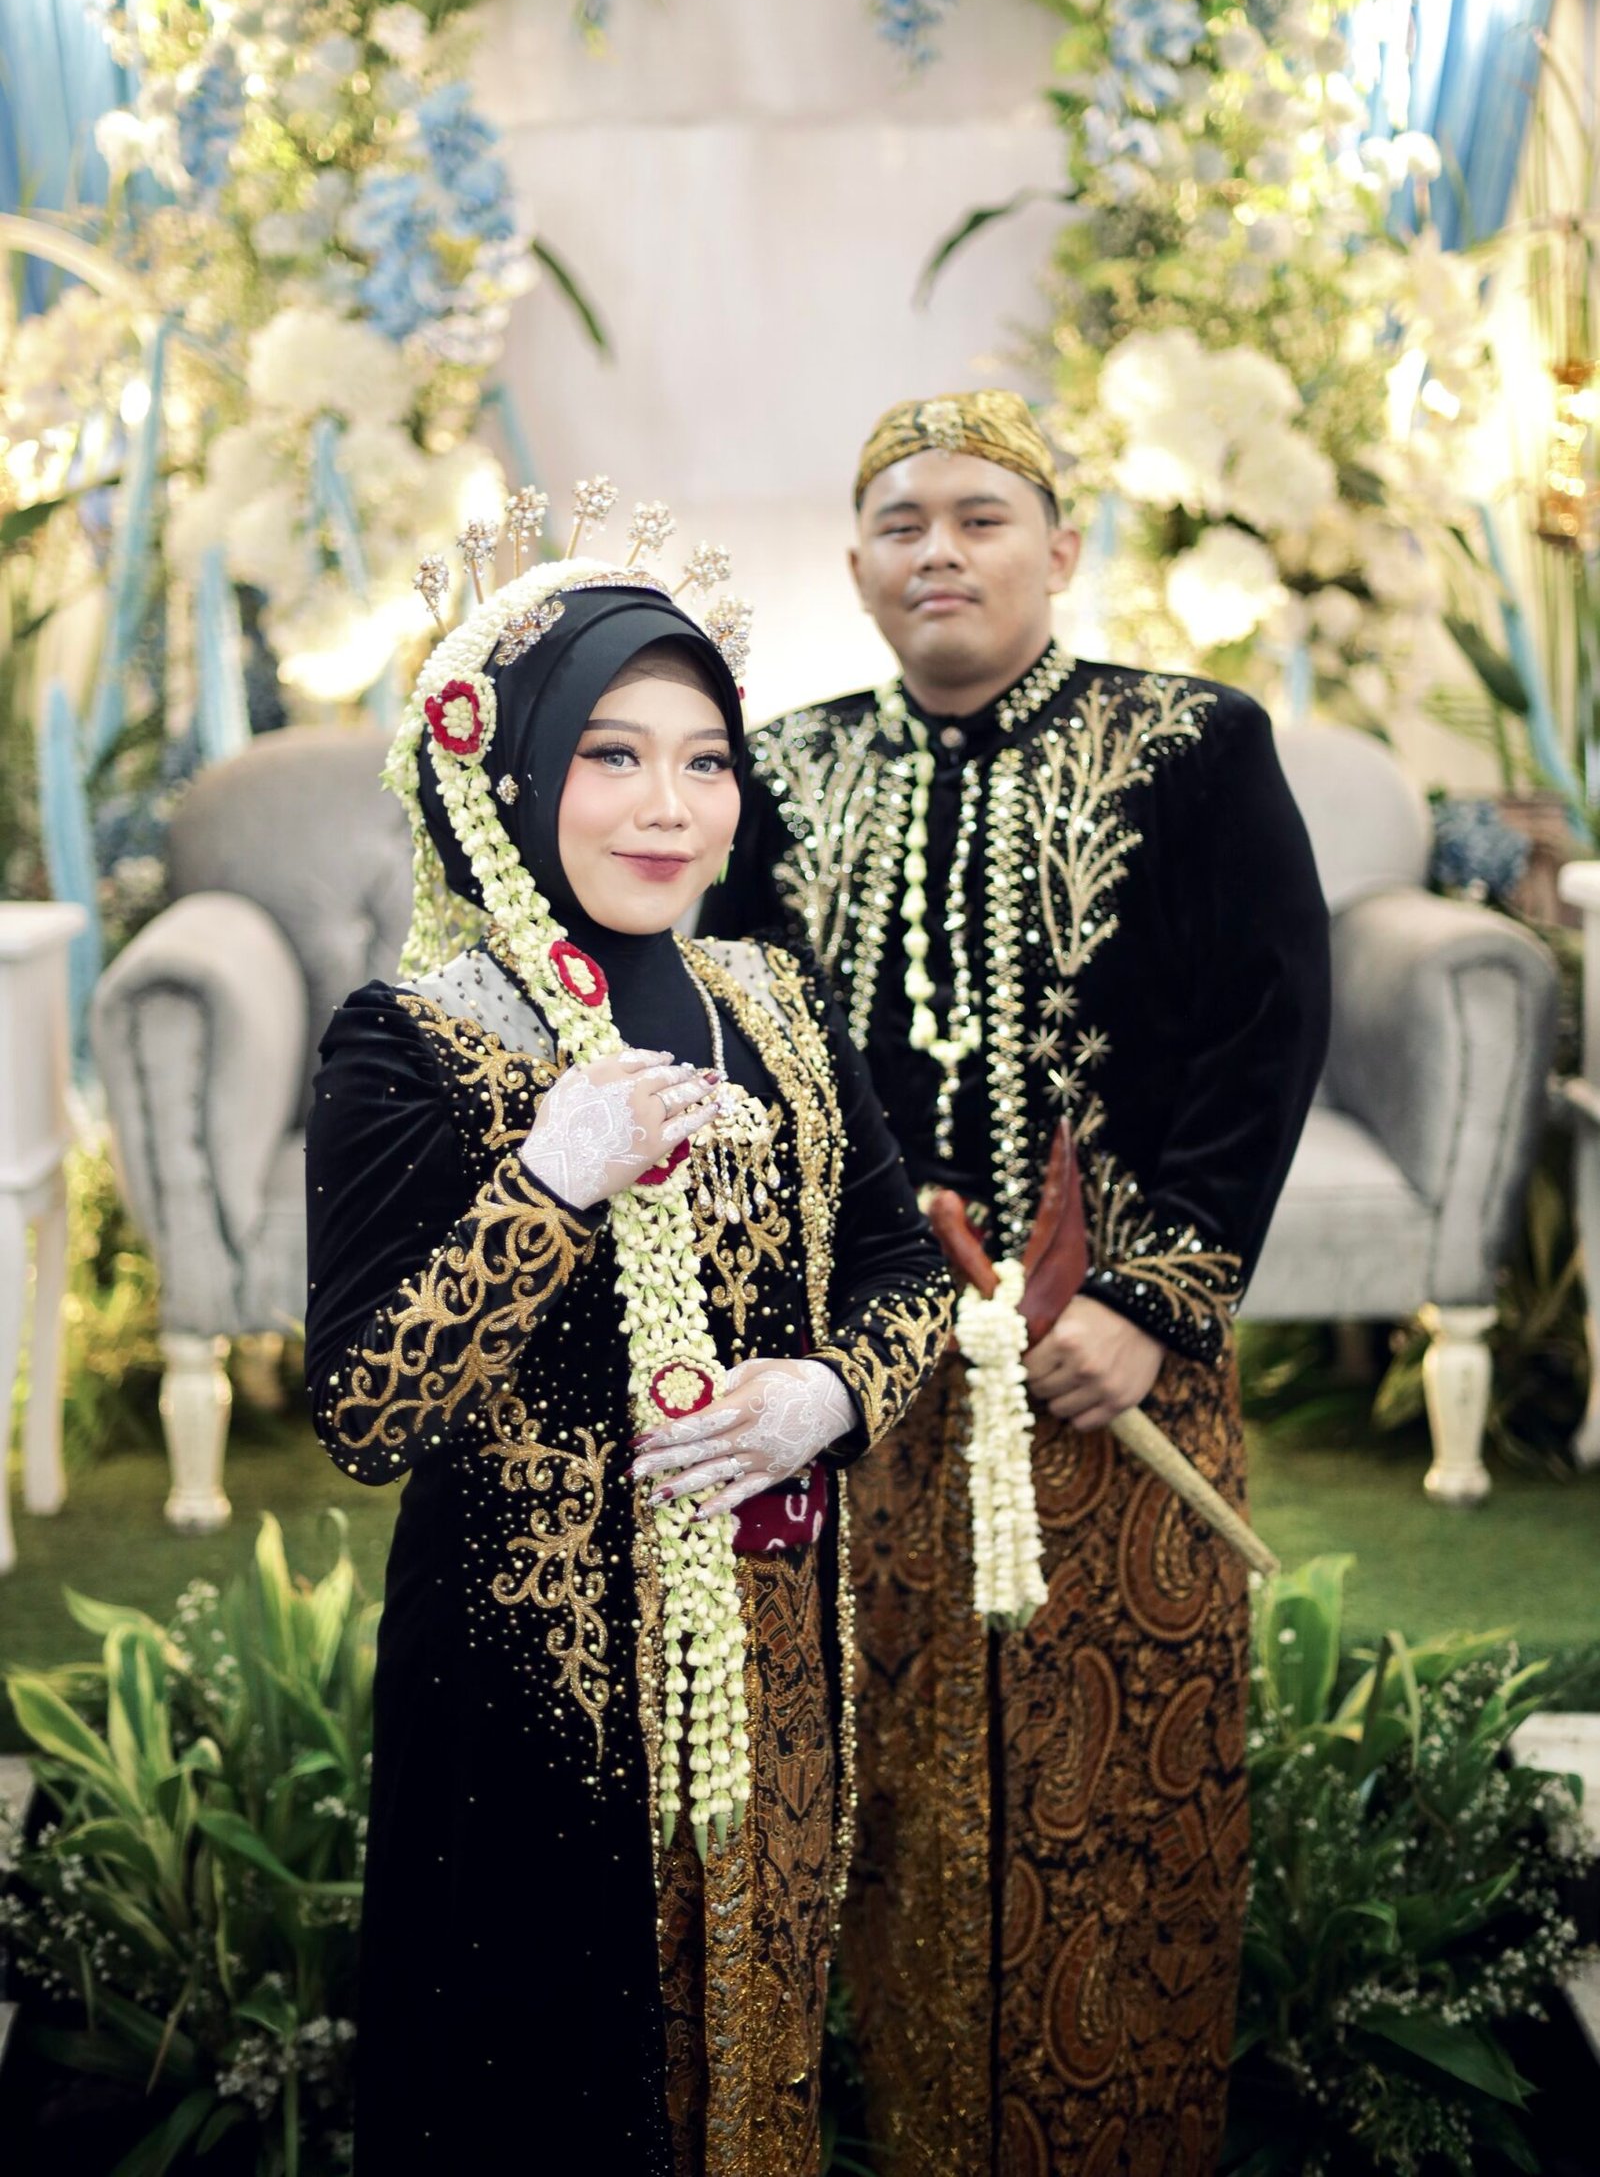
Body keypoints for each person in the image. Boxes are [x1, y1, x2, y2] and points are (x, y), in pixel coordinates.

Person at [704, 391, 1332, 2175]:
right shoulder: (783, 771)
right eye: (902, 525)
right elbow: (749, 1049)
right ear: (855, 568)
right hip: (875, 1379)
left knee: (1120, 1796)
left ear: (1061, 551)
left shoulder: (1193, 744)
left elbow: (1270, 1021)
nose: (941, 553)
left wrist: (1154, 1298)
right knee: (901, 1786)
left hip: (1119, 1371)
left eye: (980, 519)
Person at [303, 503, 951, 2177]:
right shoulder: (414, 1042)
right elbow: (366, 1410)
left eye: (706, 761)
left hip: (773, 1661)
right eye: (613, 755)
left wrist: (825, 1394)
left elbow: (901, 1273)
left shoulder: (774, 1005)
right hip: (528, 1709)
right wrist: (548, 1183)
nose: (671, 806)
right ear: (509, 774)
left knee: (755, 2070)